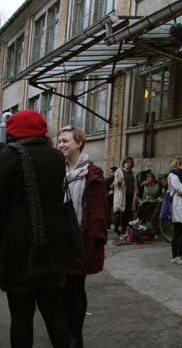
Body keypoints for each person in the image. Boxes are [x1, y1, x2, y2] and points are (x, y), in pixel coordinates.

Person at [0, 110, 76, 348]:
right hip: (54, 247)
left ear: (11, 132)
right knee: (54, 311)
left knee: (21, 315)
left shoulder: (7, 158)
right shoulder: (55, 157)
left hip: (18, 250)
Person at [57, 125, 108, 348]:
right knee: (60, 289)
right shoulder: (58, 171)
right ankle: (65, 331)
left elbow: (98, 210)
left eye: (65, 141)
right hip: (59, 238)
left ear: (79, 143)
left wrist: (92, 241)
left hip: (79, 238)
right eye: (59, 141)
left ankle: (75, 336)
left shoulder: (91, 173)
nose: (61, 145)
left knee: (75, 287)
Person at [113, 157, 138, 237]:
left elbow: (135, 185)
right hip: (121, 196)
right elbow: (115, 184)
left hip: (130, 195)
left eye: (130, 162)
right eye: (126, 162)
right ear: (123, 163)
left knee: (127, 214)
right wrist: (119, 181)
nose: (128, 163)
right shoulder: (118, 171)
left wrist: (136, 195)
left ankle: (124, 232)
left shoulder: (133, 173)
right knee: (119, 213)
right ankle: (116, 227)